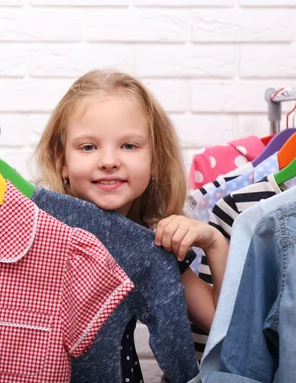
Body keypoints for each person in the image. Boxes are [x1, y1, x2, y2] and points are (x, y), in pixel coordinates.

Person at [34, 69, 228, 343]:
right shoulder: (38, 231)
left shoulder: (150, 246)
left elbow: (221, 324)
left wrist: (215, 242)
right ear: (61, 162)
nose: (109, 161)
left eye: (128, 145)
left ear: (155, 163)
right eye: (89, 147)